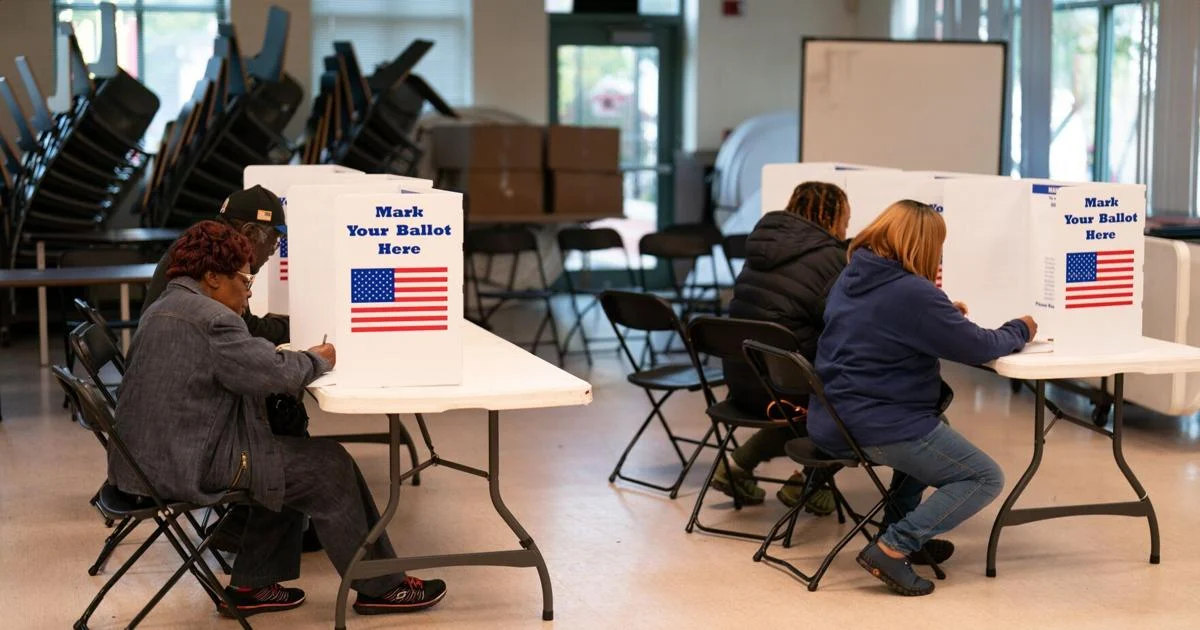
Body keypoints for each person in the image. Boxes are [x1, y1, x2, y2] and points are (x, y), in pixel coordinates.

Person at [110, 220, 447, 618]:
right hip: (183, 464)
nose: (248, 291)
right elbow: (276, 374)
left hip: (142, 462)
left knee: (289, 457)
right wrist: (319, 357)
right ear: (213, 277)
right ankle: (381, 588)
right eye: (244, 279)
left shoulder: (167, 304)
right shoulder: (210, 318)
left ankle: (253, 585)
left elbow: (245, 367)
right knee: (327, 465)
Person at [806, 200, 1035, 597]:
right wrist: (1021, 328)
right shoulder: (911, 292)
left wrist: (942, 315)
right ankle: (893, 547)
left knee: (936, 427)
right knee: (983, 476)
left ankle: (897, 528)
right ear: (924, 245)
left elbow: (890, 325)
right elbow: (980, 347)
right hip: (878, 423)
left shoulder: (855, 274)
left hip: (836, 414)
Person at [711, 181, 850, 514]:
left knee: (808, 390)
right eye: (846, 218)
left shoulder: (758, 251)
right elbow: (847, 326)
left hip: (744, 384)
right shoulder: (833, 258)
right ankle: (809, 482)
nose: (847, 227)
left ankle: (736, 467)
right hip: (789, 392)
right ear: (832, 216)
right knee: (859, 397)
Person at [143, 185, 290, 345]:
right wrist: (295, 328)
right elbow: (246, 331)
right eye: (274, 239)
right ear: (249, 233)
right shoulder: (218, 258)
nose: (272, 250)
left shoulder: (202, 244)